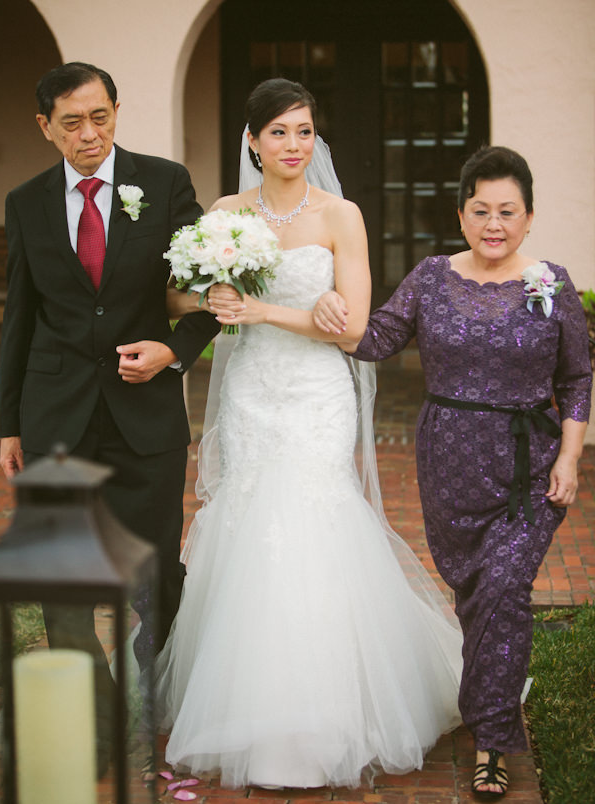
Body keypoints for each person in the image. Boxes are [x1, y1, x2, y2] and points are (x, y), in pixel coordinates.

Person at [155, 77, 463, 790]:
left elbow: (352, 327)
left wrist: (271, 315)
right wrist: (213, 294)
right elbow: (174, 288)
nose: (294, 145)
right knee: (248, 522)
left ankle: (327, 715)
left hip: (316, 396)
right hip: (251, 394)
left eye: (304, 132)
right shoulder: (227, 214)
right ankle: (249, 711)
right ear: (253, 141)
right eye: (280, 132)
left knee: (312, 522)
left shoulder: (341, 215)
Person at [312, 145, 592, 799]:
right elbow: (377, 339)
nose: (494, 224)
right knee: (474, 595)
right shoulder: (432, 277)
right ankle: (485, 691)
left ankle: (493, 741)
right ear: (462, 215)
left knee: (504, 592)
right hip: (448, 463)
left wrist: (572, 457)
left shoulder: (551, 284)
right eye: (481, 210)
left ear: (528, 217)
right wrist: (327, 313)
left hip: (529, 466)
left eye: (508, 211)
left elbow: (577, 376)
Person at [0, 62, 219, 775]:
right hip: (55, 412)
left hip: (144, 414)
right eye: (71, 122)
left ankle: (154, 695)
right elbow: (20, 321)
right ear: (45, 127)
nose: (89, 134)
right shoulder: (26, 201)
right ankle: (96, 716)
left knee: (156, 572)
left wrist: (172, 352)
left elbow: (210, 291)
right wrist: (7, 425)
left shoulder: (165, 183)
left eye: (100, 117)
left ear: (116, 112)